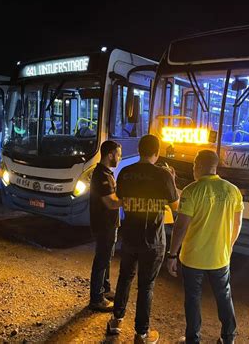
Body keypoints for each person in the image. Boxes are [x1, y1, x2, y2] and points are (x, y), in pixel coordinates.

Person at [107, 134, 179, 344]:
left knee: (125, 277)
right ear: (156, 153)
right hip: (153, 240)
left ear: (139, 150)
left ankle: (116, 321)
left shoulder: (126, 173)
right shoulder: (163, 175)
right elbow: (175, 207)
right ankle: (141, 334)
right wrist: (171, 180)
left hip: (129, 236)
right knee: (146, 286)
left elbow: (119, 200)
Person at [166, 150, 243, 344]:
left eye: (194, 167)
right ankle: (228, 337)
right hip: (220, 257)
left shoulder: (192, 190)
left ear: (198, 166)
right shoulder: (232, 190)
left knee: (192, 299)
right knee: (224, 296)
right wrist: (229, 246)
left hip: (193, 258)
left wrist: (172, 255)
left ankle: (193, 339)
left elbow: (181, 226)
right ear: (215, 167)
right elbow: (237, 224)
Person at [88, 140, 123, 311]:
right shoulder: (101, 175)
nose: (120, 157)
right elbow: (111, 203)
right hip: (104, 225)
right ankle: (96, 298)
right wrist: (129, 199)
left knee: (107, 258)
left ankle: (106, 290)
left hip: (109, 224)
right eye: (118, 154)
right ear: (110, 155)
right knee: (102, 260)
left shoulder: (106, 173)